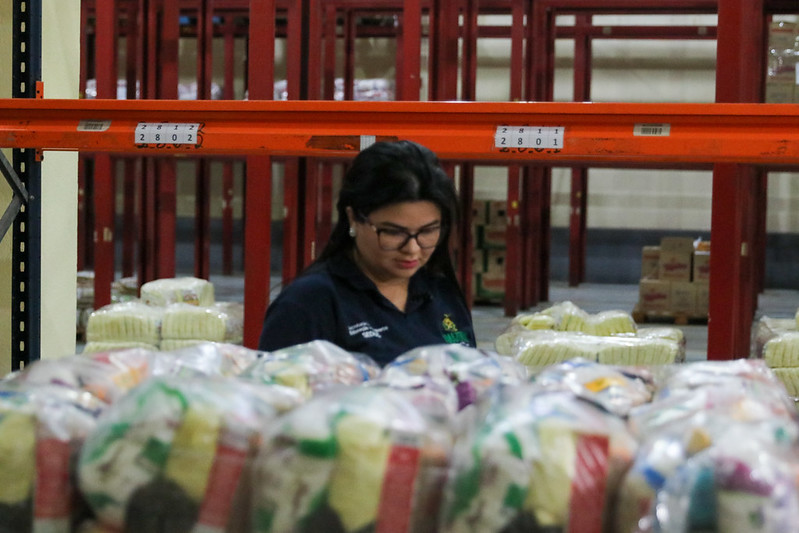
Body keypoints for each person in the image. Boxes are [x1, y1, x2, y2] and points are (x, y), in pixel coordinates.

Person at [258, 140, 476, 366]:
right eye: (393, 232)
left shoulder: (440, 293)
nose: (412, 249)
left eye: (428, 231)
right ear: (353, 218)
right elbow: (276, 391)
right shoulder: (310, 303)